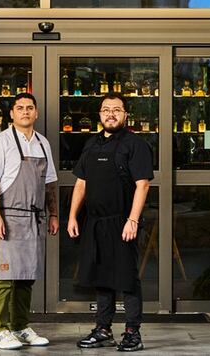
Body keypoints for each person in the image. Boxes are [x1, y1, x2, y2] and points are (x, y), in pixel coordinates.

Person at [67, 92, 153, 352]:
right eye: (106, 109)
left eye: (117, 109)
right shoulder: (91, 144)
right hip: (94, 222)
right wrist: (72, 215)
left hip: (122, 221)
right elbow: (81, 183)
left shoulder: (135, 145)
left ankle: (132, 332)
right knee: (101, 276)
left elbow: (143, 185)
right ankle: (103, 329)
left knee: (126, 278)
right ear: (100, 114)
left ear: (126, 114)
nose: (111, 114)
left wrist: (133, 220)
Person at [0, 92, 59, 350]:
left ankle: (20, 326)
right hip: (9, 216)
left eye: (29, 108)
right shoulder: (0, 142)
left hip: (35, 217)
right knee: (5, 276)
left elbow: (50, 183)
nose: (25, 112)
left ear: (36, 113)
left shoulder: (43, 143)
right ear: (12, 114)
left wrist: (54, 214)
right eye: (19, 108)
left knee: (27, 275)